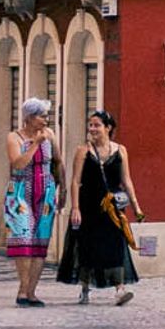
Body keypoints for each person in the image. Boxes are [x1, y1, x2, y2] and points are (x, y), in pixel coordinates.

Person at [62, 111, 137, 305]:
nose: (92, 129)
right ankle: (85, 288)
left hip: (113, 207)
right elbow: (75, 181)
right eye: (91, 125)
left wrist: (136, 206)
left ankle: (120, 289)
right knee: (87, 247)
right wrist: (75, 208)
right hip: (88, 206)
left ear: (108, 128)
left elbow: (126, 180)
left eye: (96, 125)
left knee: (117, 246)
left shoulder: (120, 150)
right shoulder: (83, 151)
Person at [4, 98, 62, 306]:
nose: (46, 120)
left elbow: (57, 162)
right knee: (23, 237)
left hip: (45, 191)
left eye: (47, 115)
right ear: (29, 118)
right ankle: (22, 288)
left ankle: (31, 291)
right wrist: (35, 144)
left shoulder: (51, 136)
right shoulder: (15, 138)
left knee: (40, 240)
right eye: (42, 115)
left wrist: (61, 189)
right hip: (20, 192)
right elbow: (18, 163)